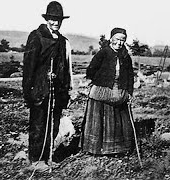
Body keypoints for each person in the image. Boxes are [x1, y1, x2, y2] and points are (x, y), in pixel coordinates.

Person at [22, 1, 72, 170]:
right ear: (47, 19)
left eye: (58, 20)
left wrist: (65, 90)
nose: (55, 22)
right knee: (38, 123)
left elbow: (65, 68)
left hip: (56, 90)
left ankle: (48, 156)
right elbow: (29, 66)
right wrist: (28, 90)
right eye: (52, 19)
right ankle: (35, 160)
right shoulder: (36, 36)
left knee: (53, 123)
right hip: (39, 89)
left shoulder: (63, 41)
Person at [81, 27, 135, 156]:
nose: (119, 42)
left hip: (119, 91)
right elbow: (91, 70)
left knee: (118, 119)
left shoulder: (125, 56)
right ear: (111, 39)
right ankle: (95, 148)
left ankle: (117, 148)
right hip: (102, 91)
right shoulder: (103, 53)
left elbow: (130, 76)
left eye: (123, 40)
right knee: (100, 119)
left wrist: (129, 92)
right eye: (117, 39)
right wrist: (100, 82)